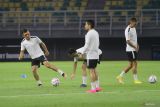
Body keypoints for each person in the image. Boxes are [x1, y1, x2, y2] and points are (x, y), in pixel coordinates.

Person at [116, 17, 142, 84]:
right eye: (135, 23)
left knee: (130, 65)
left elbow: (134, 39)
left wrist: (137, 45)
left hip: (133, 49)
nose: (136, 24)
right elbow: (128, 41)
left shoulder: (134, 28)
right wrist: (134, 47)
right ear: (131, 22)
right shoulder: (128, 30)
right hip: (131, 50)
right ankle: (136, 80)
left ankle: (120, 76)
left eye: (136, 23)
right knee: (135, 64)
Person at [81, 20, 102, 93]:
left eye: (86, 24)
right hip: (96, 55)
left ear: (89, 25)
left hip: (91, 55)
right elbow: (98, 43)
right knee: (95, 71)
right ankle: (97, 87)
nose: (85, 26)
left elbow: (86, 45)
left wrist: (82, 52)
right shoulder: (96, 32)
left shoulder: (89, 34)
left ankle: (93, 89)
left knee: (91, 71)